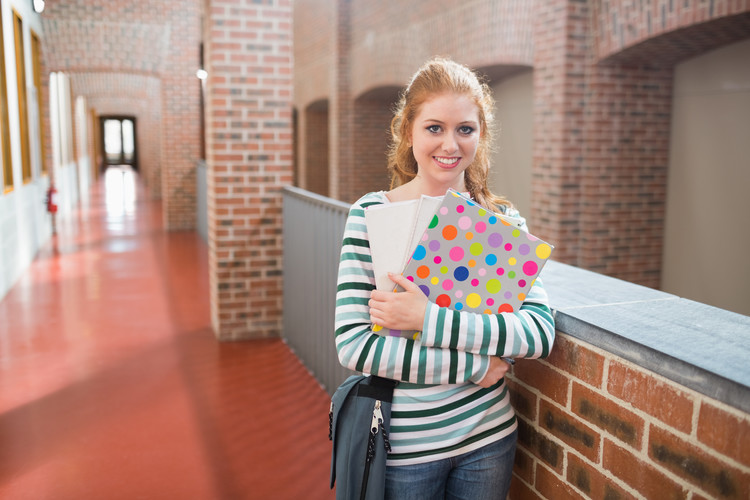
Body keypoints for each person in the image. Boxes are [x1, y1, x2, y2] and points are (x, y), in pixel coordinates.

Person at [334, 58, 555, 500]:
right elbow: (355, 345)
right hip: (406, 453)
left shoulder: (501, 221)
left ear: (480, 135)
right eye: (434, 127)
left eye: (465, 129)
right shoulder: (372, 215)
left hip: (489, 440)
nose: (450, 144)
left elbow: (537, 334)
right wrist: (476, 365)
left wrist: (425, 317)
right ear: (408, 131)